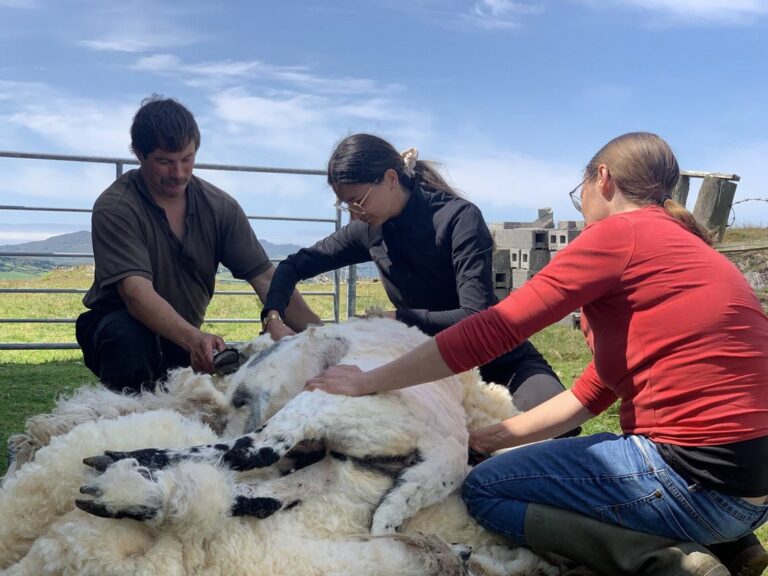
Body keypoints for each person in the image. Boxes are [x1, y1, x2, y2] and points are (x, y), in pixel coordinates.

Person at [305, 132, 768, 576]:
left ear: (601, 179)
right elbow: (595, 390)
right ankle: (726, 544)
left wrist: (368, 381)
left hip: (688, 479)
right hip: (752, 498)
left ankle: (662, 560)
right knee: (510, 463)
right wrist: (489, 439)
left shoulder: (617, 235)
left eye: (579, 190)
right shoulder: (691, 249)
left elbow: (491, 328)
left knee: (485, 491)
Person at [261, 133, 570, 416]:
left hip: (496, 358)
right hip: (425, 366)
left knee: (554, 421)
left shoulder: (458, 219)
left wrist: (399, 318)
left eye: (359, 201)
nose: (354, 213)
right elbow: (292, 266)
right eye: (345, 205)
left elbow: (476, 315)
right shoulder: (367, 230)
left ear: (391, 179)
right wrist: (274, 317)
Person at [76, 96, 320, 394]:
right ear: (139, 154)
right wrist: (194, 338)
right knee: (128, 340)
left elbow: (266, 277)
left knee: (189, 395)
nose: (178, 173)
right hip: (119, 325)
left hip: (181, 331)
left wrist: (320, 337)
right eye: (165, 162)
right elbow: (136, 293)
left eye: (187, 159)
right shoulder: (116, 207)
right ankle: (124, 423)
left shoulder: (220, 207)